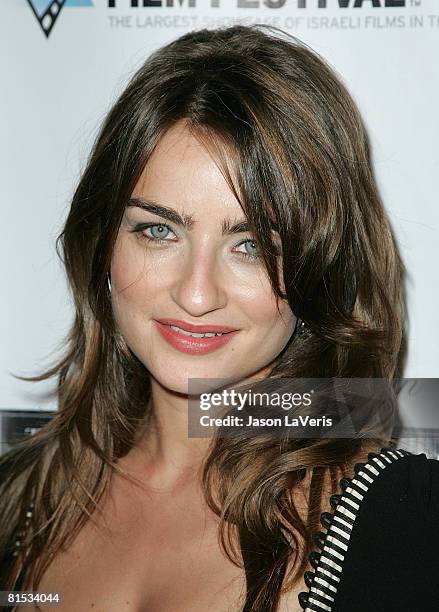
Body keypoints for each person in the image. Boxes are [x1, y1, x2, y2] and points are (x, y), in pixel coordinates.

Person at [1, 24, 438, 612]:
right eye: (158, 230)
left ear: (322, 267)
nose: (197, 293)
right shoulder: (16, 498)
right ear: (103, 241)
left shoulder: (408, 528)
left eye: (253, 244)